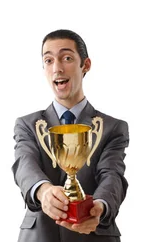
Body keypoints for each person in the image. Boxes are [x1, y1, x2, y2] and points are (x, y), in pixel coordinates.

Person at [12, 29, 129, 241]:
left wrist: (99, 208)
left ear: (86, 65)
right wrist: (43, 191)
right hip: (40, 235)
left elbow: (112, 176)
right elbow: (24, 165)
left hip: (94, 234)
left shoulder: (112, 128)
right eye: (48, 60)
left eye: (66, 58)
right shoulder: (28, 125)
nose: (57, 68)